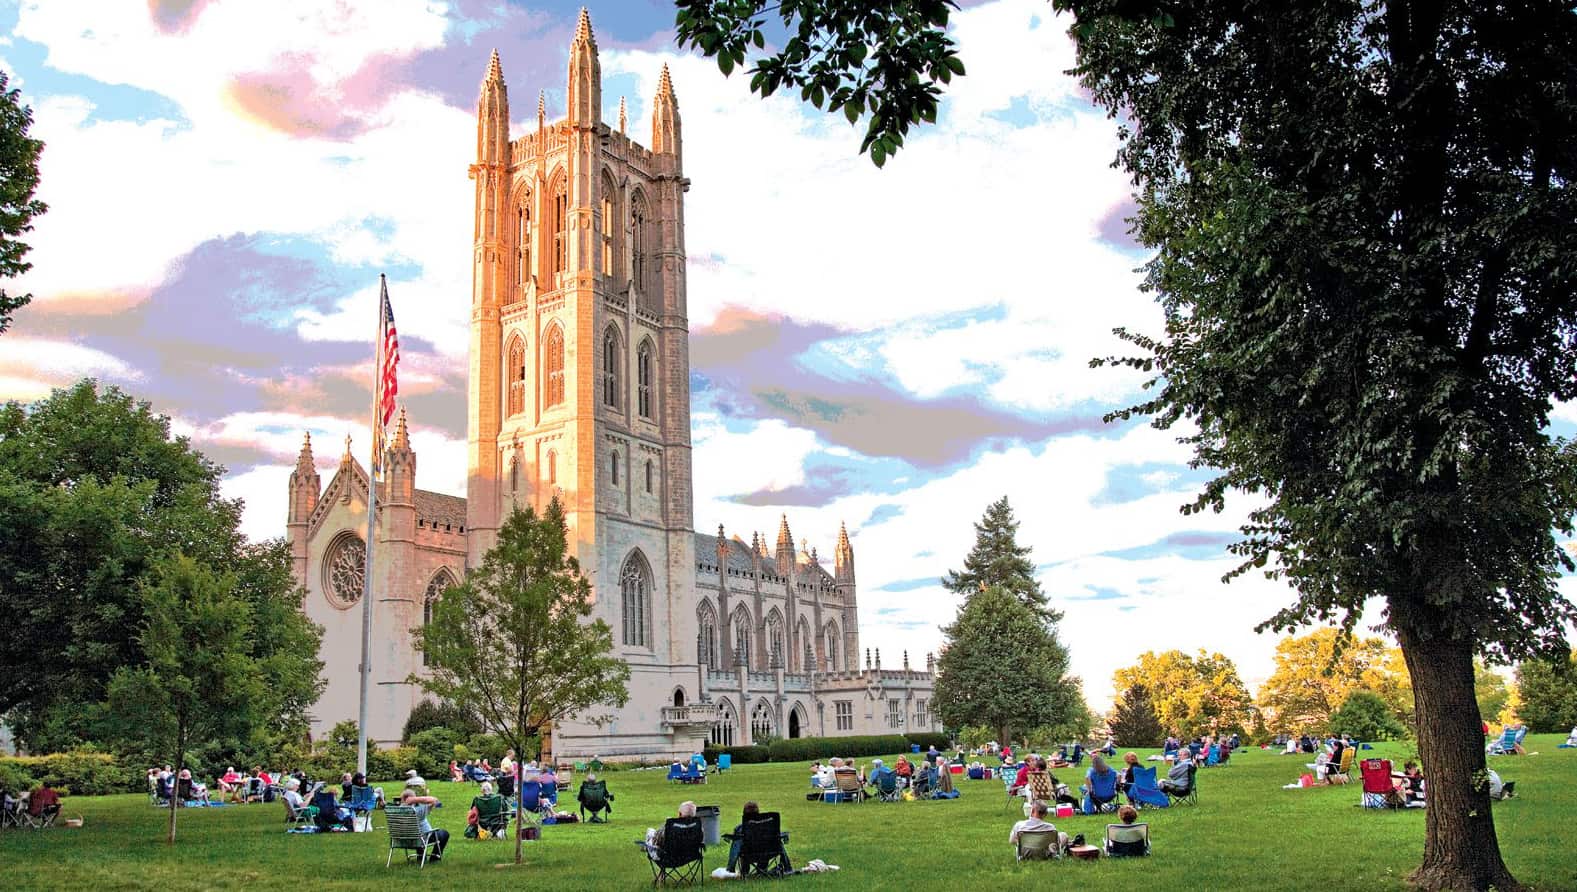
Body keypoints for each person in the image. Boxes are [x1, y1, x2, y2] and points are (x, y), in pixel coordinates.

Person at [400, 789, 449, 861]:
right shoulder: (418, 809)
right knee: (444, 833)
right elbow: (435, 800)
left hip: (404, 840)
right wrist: (416, 799)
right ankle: (434, 859)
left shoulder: (398, 810)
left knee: (419, 833)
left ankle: (421, 857)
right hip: (421, 839)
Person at [726, 800, 762, 873]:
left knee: (739, 843)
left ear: (744, 814)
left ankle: (743, 870)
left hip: (748, 855)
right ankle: (762, 869)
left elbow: (736, 846)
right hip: (766, 853)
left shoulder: (740, 829)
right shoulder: (767, 826)